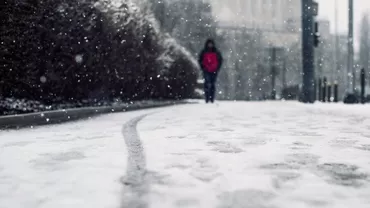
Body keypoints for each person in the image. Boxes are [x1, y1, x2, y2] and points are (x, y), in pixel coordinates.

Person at [198, 38, 223, 103]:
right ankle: (207, 98)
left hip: (213, 70)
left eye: (211, 44)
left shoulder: (216, 52)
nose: (210, 45)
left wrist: (217, 68)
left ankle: (211, 98)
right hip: (206, 70)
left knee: (212, 84)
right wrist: (203, 68)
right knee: (207, 83)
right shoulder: (204, 52)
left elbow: (220, 61)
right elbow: (200, 60)